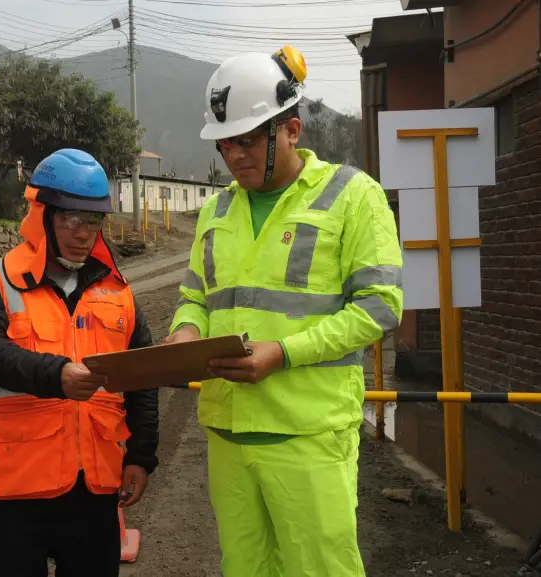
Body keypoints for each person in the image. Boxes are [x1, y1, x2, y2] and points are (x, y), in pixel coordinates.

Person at [166, 46, 403, 577]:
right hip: (229, 435)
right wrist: (185, 333)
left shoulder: (352, 196)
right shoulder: (216, 209)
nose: (234, 155)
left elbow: (380, 307)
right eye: (225, 143)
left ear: (291, 130)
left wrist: (284, 353)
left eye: (247, 140)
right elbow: (195, 297)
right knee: (245, 569)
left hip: (308, 435)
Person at [0, 148, 160, 577]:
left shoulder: (118, 292)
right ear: (43, 215)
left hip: (94, 492)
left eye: (93, 221)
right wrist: (57, 375)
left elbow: (141, 377)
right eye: (71, 219)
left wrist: (141, 456)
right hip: (15, 490)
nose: (83, 234)